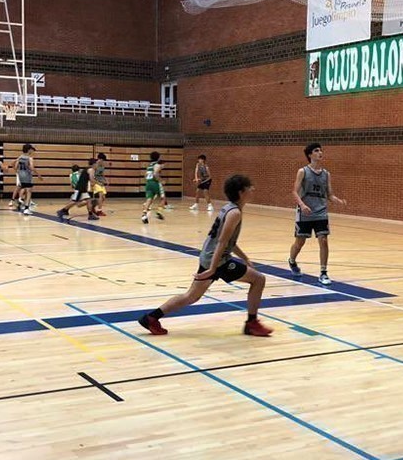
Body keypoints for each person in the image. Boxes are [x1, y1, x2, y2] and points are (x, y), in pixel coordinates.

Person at [137, 175, 272, 337]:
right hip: (217, 260)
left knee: (191, 296)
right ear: (241, 192)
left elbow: (228, 241)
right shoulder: (234, 213)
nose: (253, 189)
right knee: (259, 279)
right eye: (250, 187)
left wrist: (244, 258)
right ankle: (251, 323)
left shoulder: (228, 208)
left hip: (209, 256)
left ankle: (151, 318)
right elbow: (222, 242)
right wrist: (213, 268)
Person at [287, 143, 346, 286]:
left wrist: (337, 200)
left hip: (321, 212)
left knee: (323, 240)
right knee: (300, 242)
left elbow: (329, 195)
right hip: (305, 212)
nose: (320, 152)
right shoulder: (303, 171)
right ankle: (292, 260)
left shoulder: (326, 174)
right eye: (316, 150)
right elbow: (294, 191)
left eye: (321, 150)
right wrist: (302, 205)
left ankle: (323, 272)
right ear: (309, 155)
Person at [15, 144, 41, 215]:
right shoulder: (29, 158)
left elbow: (15, 166)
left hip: (21, 176)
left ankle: (22, 202)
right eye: (31, 149)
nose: (32, 151)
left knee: (25, 190)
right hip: (27, 176)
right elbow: (32, 167)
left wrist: (19, 172)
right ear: (29, 150)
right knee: (29, 192)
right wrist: (38, 174)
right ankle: (26, 208)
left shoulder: (19, 157)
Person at [141, 151, 165, 223]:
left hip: (148, 183)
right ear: (158, 157)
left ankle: (144, 215)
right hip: (155, 183)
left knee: (149, 199)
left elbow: (145, 176)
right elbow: (155, 174)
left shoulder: (149, 165)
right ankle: (159, 212)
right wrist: (160, 181)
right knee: (163, 198)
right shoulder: (157, 164)